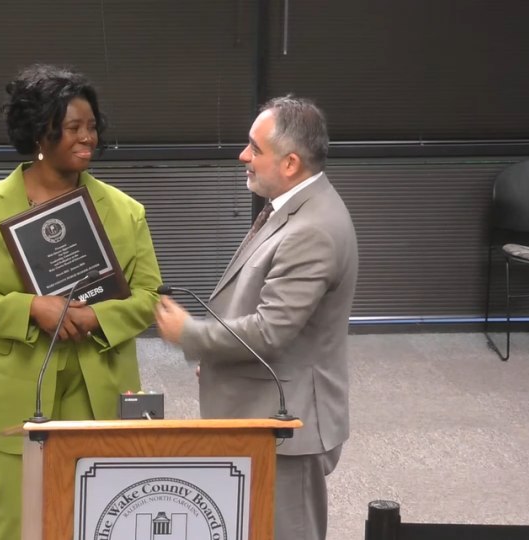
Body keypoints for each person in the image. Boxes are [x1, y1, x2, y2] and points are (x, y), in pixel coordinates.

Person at [0, 64, 163, 540]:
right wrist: (32, 308)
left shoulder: (127, 212)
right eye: (73, 128)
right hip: (18, 390)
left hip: (101, 387)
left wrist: (97, 316)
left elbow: (150, 297)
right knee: (19, 521)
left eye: (91, 127)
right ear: (39, 133)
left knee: (101, 519)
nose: (87, 138)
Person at [154, 95, 358, 540]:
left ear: (289, 163)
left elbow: (271, 329)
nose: (243, 156)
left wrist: (190, 334)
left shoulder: (313, 230)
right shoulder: (291, 206)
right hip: (261, 412)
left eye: (254, 148)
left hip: (287, 427)